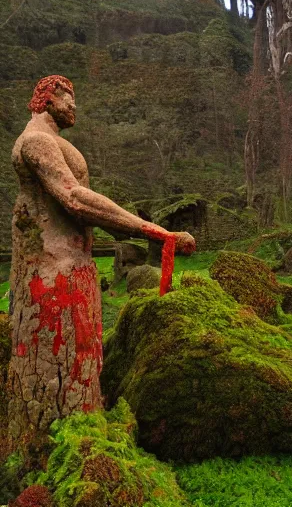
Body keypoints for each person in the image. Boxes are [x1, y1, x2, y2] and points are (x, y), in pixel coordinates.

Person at [8, 75, 195, 448]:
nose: (74, 105)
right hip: (52, 275)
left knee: (83, 358)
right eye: (68, 97)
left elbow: (83, 204)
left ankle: (85, 425)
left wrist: (132, 230)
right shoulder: (36, 142)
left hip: (75, 268)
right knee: (57, 370)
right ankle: (55, 444)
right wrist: (151, 229)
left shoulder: (55, 142)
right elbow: (76, 198)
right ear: (46, 99)